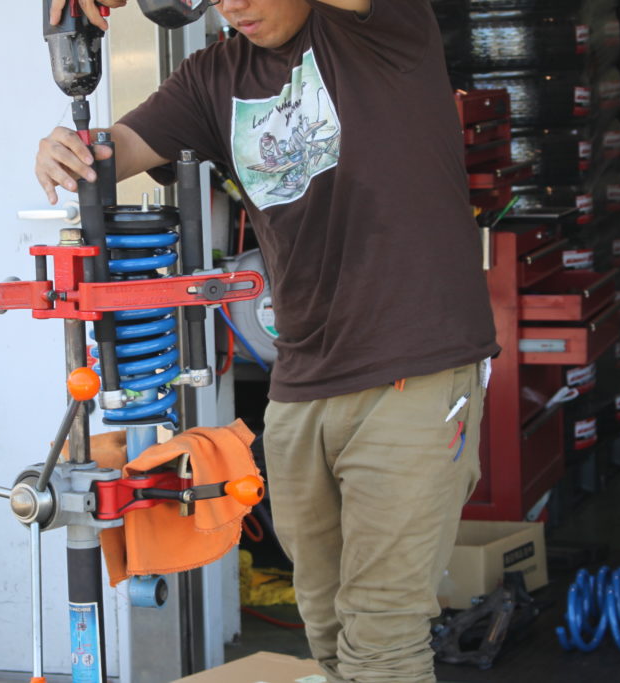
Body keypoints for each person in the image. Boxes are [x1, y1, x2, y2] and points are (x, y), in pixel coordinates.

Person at [36, 1, 500, 681]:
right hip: (302, 384)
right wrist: (70, 151)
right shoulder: (214, 75)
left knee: (383, 638)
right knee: (329, 632)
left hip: (412, 374)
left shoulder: (377, 27)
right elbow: (117, 151)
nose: (234, 6)